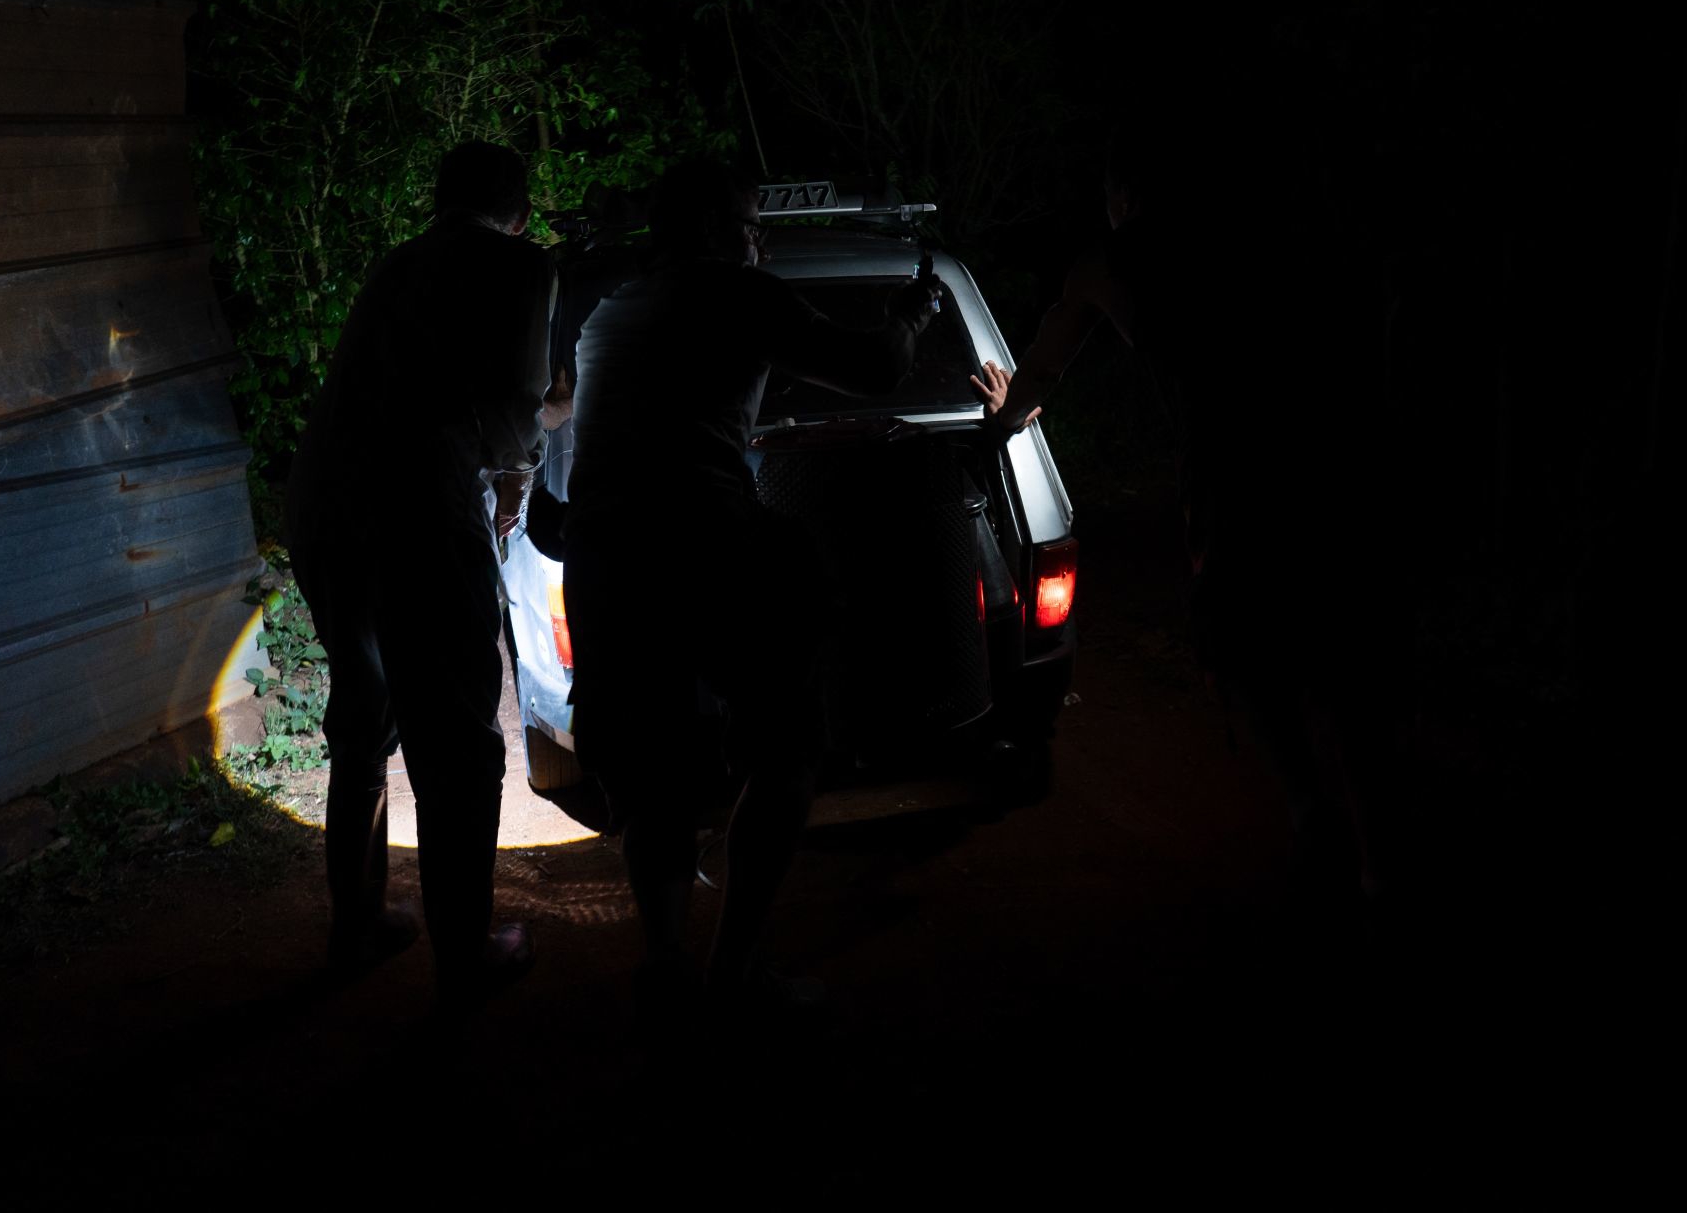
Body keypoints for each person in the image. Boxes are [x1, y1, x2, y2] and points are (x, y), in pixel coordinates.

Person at [974, 119, 1401, 963]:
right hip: (1336, 458)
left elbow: (1042, 372)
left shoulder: (1111, 261)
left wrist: (1004, 411)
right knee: (1340, 656)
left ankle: (1316, 820)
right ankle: (1376, 862)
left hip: (1240, 473)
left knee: (1245, 645)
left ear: (1122, 193)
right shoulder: (1258, 241)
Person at [558, 159, 942, 1034]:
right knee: (790, 744)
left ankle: (664, 964)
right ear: (709, 231)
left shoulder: (609, 313)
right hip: (701, 534)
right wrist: (913, 313)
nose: (758, 241)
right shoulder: (738, 291)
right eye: (747, 225)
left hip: (603, 557)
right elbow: (877, 367)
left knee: (650, 771)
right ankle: (733, 972)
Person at [283, 139, 554, 1004]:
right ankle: (465, 955)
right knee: (459, 740)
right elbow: (514, 413)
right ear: (520, 214)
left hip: (323, 504)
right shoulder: (522, 266)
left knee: (363, 715)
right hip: (417, 512)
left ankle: (357, 925)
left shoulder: (394, 265)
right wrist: (526, 463)